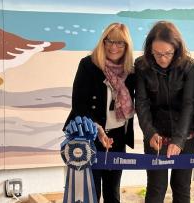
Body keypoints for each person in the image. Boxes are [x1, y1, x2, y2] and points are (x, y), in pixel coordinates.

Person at [64, 22, 135, 203]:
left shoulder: (130, 70)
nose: (113, 47)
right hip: (90, 134)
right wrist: (97, 129)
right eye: (109, 41)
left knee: (113, 191)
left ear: (126, 46)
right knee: (91, 191)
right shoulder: (88, 65)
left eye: (120, 43)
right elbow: (79, 104)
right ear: (103, 41)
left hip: (117, 137)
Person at [135, 21, 194, 203]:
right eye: (157, 54)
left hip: (187, 134)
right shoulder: (141, 66)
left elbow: (189, 104)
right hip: (156, 132)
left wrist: (178, 141)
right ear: (150, 50)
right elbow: (141, 103)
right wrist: (150, 133)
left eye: (168, 54)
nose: (162, 59)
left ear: (177, 49)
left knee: (181, 186)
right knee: (156, 187)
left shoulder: (189, 65)